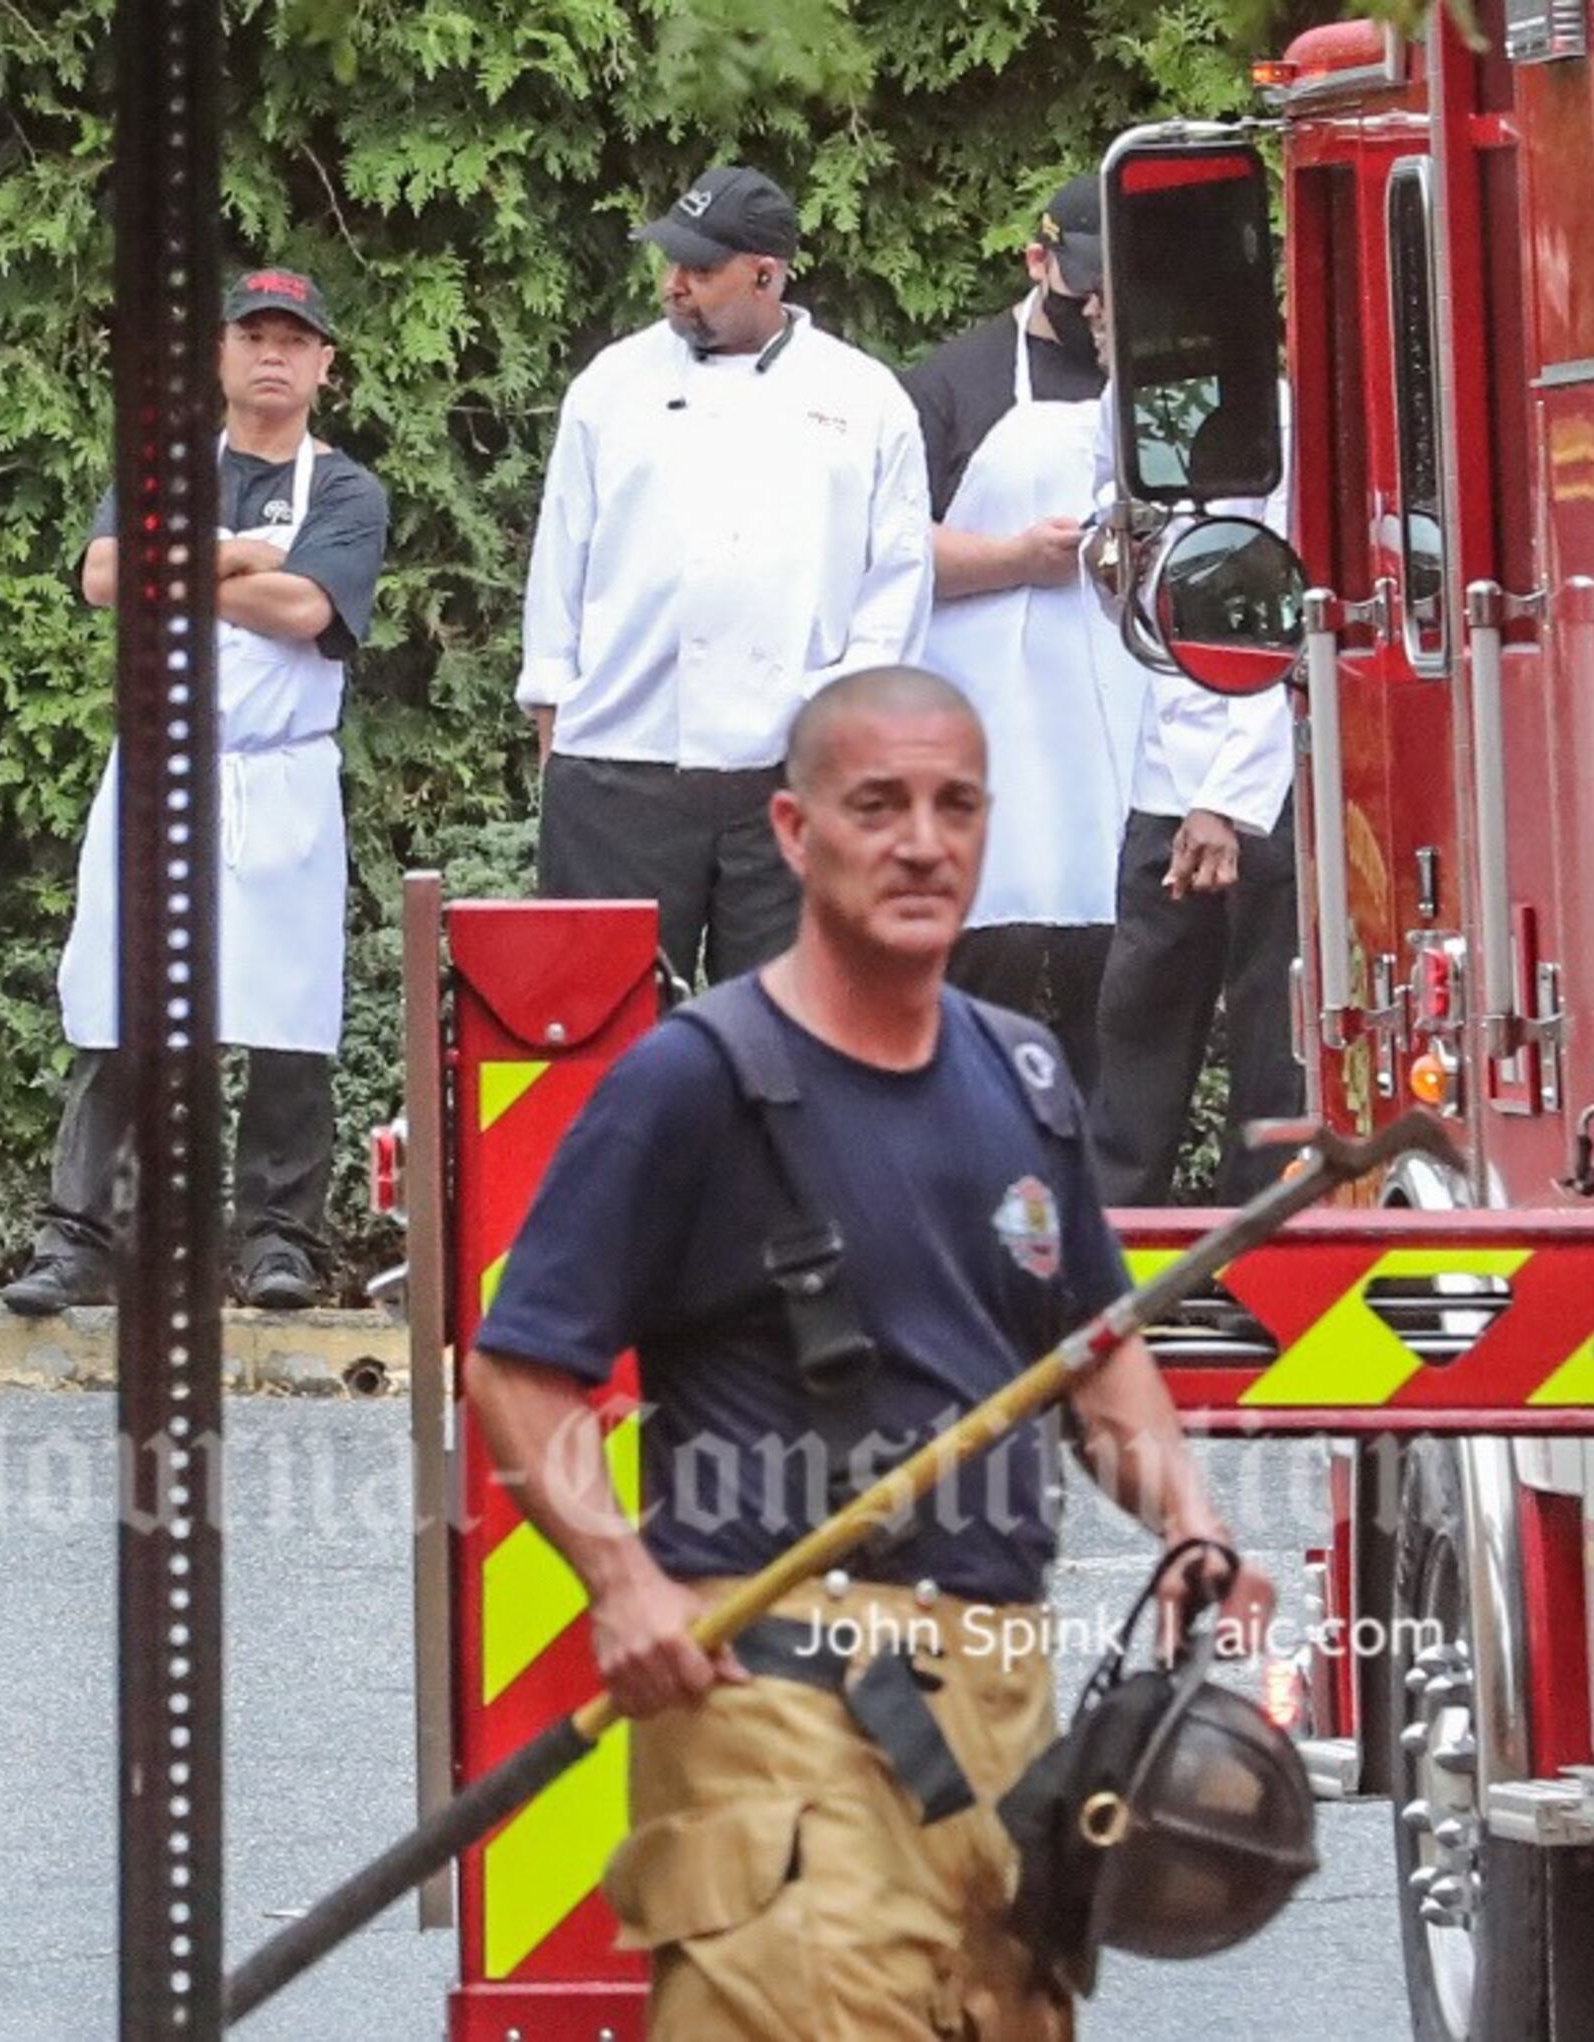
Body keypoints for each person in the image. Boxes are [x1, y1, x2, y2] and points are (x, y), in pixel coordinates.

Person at [462, 666, 1273, 2041]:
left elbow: (1094, 1347)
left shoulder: (1022, 1077)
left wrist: (1189, 1521)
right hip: (775, 1719)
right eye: (878, 804)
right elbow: (520, 1364)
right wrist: (624, 1582)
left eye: (956, 806)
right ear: (793, 831)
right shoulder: (693, 1080)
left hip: (1002, 1731)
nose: (921, 841)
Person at [6, 268, 392, 1317]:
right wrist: (231, 556)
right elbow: (100, 576)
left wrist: (182, 563)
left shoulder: (348, 491)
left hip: (280, 773)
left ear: (323, 364)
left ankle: (278, 1238)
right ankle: (83, 1233)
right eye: (252, 334)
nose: (272, 353)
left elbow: (311, 605)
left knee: (287, 1014)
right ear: (220, 355)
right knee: (119, 999)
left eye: (293, 338)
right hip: (161, 772)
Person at [519, 164, 933, 990]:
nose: (675, 286)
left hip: (789, 768)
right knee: (602, 1028)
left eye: (700, 271)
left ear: (766, 274)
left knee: (797, 1037)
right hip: (619, 763)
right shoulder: (611, 385)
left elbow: (895, 585)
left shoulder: (864, 398)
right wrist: (552, 703)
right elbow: (560, 554)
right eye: (671, 264)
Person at [905, 172, 1137, 1086]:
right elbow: (888, 552)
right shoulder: (948, 385)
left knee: (1113, 986)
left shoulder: (1149, 372)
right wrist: (1014, 560)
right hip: (992, 730)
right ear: (1036, 261)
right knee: (985, 968)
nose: (1096, 312)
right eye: (1082, 288)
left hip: (1116, 734)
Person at [1092, 628, 1301, 1205]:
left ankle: (1259, 1241)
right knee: (1135, 1017)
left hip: (1265, 785)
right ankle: (1116, 1241)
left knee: (1271, 1030)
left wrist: (1225, 800)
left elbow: (1273, 637)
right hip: (1158, 781)